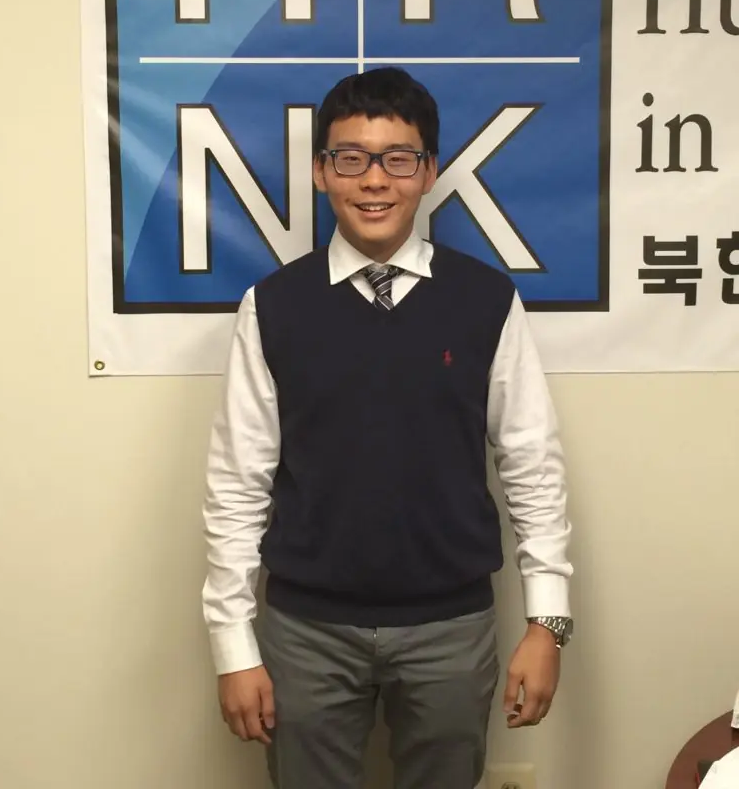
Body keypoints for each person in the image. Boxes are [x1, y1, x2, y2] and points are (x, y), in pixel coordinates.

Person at [202, 67, 573, 789]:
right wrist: (232, 647)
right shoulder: (272, 307)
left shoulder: (486, 300)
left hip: (451, 629)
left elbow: (533, 464)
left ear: (429, 172)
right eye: (351, 158)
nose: (374, 180)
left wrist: (547, 623)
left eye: (398, 159)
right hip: (306, 633)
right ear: (321, 172)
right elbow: (237, 483)